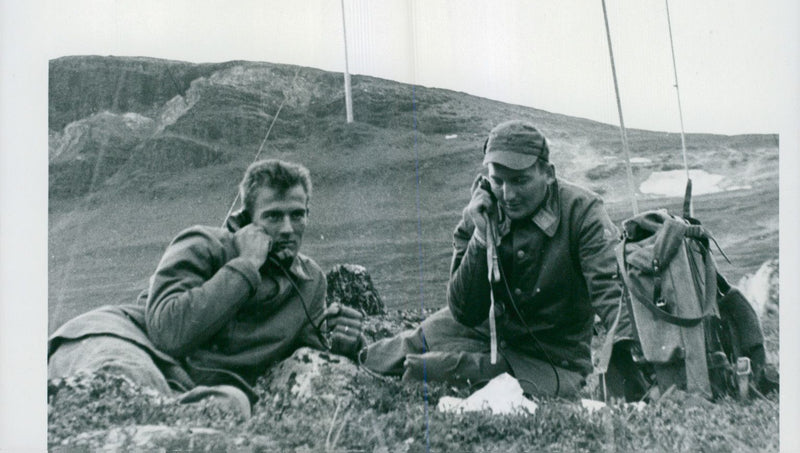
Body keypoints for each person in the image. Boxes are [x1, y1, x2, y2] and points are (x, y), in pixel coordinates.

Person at [48, 159, 365, 419]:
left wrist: (344, 341)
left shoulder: (310, 281)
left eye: (297, 215)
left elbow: (307, 350)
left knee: (230, 406)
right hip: (125, 342)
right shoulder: (202, 244)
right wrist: (245, 265)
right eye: (272, 216)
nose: (287, 229)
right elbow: (169, 333)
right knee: (124, 384)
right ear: (244, 220)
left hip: (187, 385)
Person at [361, 121, 640, 398]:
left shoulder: (583, 213)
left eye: (520, 180)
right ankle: (351, 351)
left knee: (434, 370)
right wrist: (482, 236)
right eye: (498, 180)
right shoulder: (482, 208)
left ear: (548, 174)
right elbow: (464, 311)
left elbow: (612, 296)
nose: (508, 195)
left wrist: (637, 373)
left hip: (550, 357)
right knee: (385, 356)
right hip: (481, 332)